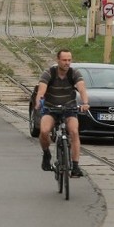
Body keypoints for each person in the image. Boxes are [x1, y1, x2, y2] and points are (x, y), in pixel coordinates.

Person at [35, 49, 91, 178]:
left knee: (74, 131)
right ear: (58, 60)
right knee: (44, 131)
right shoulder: (49, 73)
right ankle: (46, 153)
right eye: (64, 60)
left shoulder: (74, 73)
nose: (67, 63)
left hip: (69, 108)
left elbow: (82, 88)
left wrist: (85, 103)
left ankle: (75, 166)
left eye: (69, 60)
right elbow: (41, 91)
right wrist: (39, 102)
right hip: (51, 108)